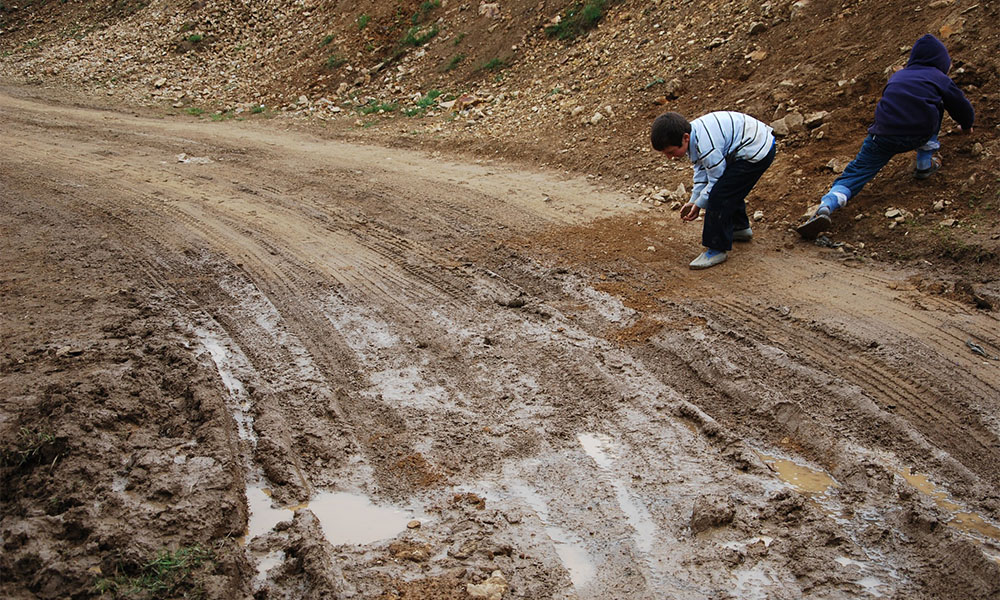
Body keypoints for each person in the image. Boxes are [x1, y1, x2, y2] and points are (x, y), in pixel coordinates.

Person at [797, 33, 975, 240]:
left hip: (882, 135)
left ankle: (827, 204)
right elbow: (961, 106)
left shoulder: (898, 76)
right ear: (941, 62)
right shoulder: (939, 78)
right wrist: (966, 125)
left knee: (857, 172)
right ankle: (925, 162)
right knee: (936, 106)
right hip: (919, 134)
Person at [651, 110, 776, 269]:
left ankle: (717, 248)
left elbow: (715, 180)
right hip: (745, 146)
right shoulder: (694, 136)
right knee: (729, 187)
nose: (669, 157)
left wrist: (701, 203)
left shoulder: (706, 144)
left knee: (719, 194)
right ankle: (740, 228)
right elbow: (701, 170)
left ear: (685, 138)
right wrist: (694, 200)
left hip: (757, 150)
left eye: (671, 152)